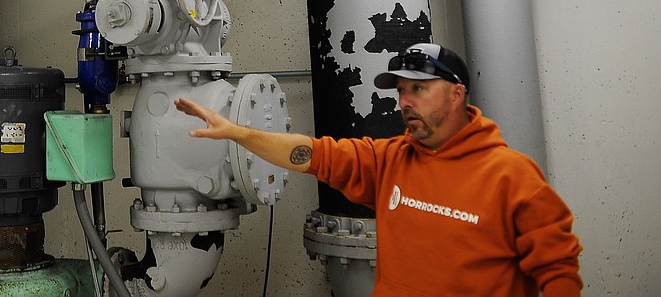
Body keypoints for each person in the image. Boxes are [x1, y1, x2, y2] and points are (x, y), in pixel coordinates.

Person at [174, 42, 582, 296]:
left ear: (457, 94)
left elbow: (558, 269)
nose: (405, 101)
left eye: (418, 89)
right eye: (402, 91)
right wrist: (237, 133)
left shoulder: (512, 176)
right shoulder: (389, 160)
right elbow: (311, 153)